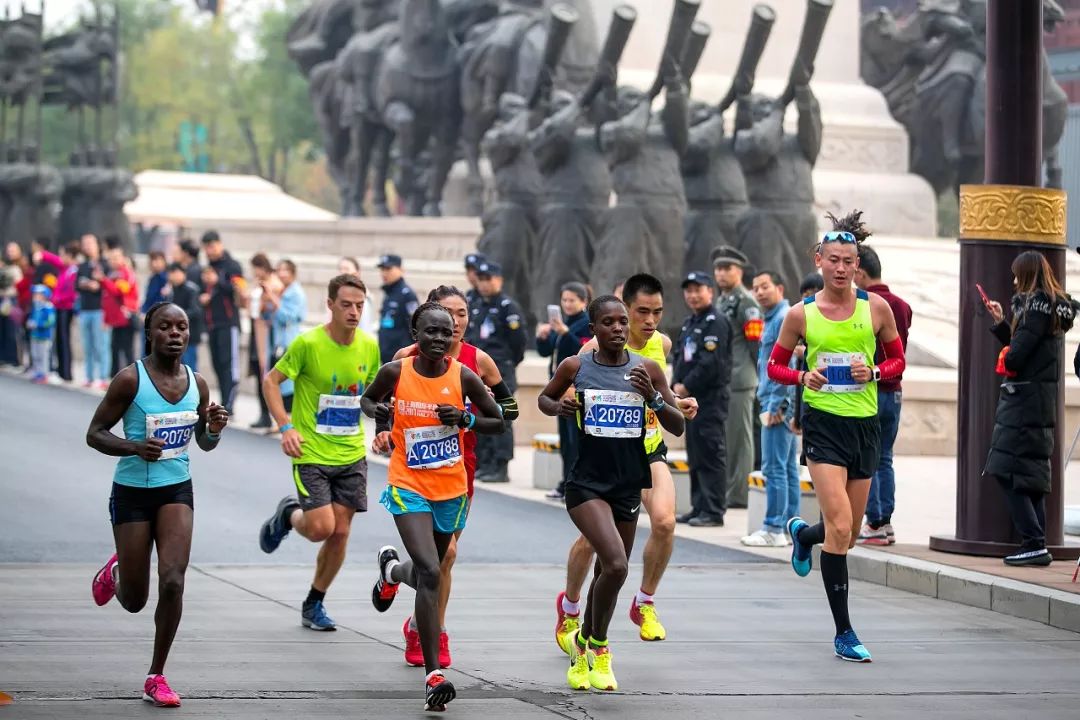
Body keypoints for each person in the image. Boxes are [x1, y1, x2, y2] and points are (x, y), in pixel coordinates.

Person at [767, 210, 906, 663]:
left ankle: (804, 537)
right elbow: (774, 366)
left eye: (850, 260)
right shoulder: (800, 315)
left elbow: (898, 363)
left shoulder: (877, 308)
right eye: (834, 260)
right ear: (820, 260)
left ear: (858, 264)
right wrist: (802, 376)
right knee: (843, 526)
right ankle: (844, 632)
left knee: (838, 530)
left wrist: (876, 371)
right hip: (824, 425)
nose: (842, 268)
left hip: (865, 426)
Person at [362, 302, 507, 712]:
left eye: (446, 332)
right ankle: (433, 676)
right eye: (431, 332)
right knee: (430, 571)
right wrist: (382, 415)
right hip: (408, 484)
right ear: (415, 333)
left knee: (428, 571)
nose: (439, 339)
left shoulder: (464, 376)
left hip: (451, 489)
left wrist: (466, 419)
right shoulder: (397, 372)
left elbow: (499, 421)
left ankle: (391, 572)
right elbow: (368, 402)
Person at [86, 301, 230, 707]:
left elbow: (203, 441)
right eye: (165, 327)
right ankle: (118, 569)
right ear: (150, 332)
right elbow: (94, 433)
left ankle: (156, 675)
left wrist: (214, 429)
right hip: (131, 491)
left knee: (173, 580)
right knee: (134, 601)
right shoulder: (130, 380)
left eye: (181, 327)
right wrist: (133, 446)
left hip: (176, 489)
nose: (175, 334)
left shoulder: (197, 383)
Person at [539, 295, 685, 691]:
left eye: (623, 322)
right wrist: (561, 407)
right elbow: (545, 397)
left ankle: (583, 640)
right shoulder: (576, 365)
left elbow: (676, 425)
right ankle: (599, 649)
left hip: (627, 483)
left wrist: (653, 397)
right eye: (609, 323)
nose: (619, 329)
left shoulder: (648, 369)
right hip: (586, 484)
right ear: (594, 329)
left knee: (608, 570)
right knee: (618, 564)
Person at [556, 274, 698, 650]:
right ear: (623, 309)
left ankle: (644, 603)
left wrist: (680, 404)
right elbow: (568, 395)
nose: (650, 322)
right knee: (595, 543)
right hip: (604, 457)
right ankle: (570, 607)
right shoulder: (590, 351)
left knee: (666, 522)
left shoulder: (661, 346)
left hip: (647, 447)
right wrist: (568, 405)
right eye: (641, 313)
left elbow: (666, 398)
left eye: (658, 313)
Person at [386, 285, 517, 669]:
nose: (453, 323)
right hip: (411, 471)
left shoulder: (480, 362)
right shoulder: (405, 358)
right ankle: (434, 632)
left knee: (443, 559)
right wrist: (384, 426)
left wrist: (469, 418)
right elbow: (386, 404)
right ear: (425, 321)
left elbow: (507, 410)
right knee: (444, 559)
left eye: (461, 314)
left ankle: (401, 590)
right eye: (446, 314)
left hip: (460, 467)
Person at [257, 274, 381, 630]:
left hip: (351, 453)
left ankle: (314, 602)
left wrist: (383, 427)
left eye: (359, 305)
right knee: (319, 529)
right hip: (311, 451)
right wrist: (285, 426)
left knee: (340, 533)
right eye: (346, 305)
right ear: (330, 305)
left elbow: (373, 393)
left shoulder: (369, 347)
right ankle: (289, 515)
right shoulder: (308, 343)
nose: (354, 312)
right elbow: (270, 382)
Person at [981, 251, 1075, 566]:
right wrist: (1001, 323)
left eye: (1016, 274)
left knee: (1006, 470)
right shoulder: (1048, 310)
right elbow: (1027, 347)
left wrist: (1006, 354)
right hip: (1038, 402)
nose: (1013, 280)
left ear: (1026, 275)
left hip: (1023, 404)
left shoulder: (1034, 309)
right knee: (1030, 474)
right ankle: (1036, 542)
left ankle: (1034, 542)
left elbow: (1017, 357)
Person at [854, 245, 912, 546]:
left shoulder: (868, 305)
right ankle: (885, 522)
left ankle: (874, 522)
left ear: (861, 273)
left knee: (869, 458)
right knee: (885, 458)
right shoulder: (902, 305)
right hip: (895, 391)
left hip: (871, 390)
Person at [743, 270, 799, 547]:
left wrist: (779, 403)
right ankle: (790, 526)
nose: (760, 292)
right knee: (787, 468)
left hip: (778, 403)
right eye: (756, 288)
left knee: (774, 468)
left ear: (779, 287)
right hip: (780, 401)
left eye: (765, 286)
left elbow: (785, 365)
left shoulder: (782, 318)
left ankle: (773, 527)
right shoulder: (773, 318)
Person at [673, 271, 732, 528]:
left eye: (699, 290)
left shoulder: (715, 322)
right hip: (688, 400)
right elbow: (679, 357)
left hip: (709, 399)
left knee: (710, 452)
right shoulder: (690, 323)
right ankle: (699, 506)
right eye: (689, 291)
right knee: (695, 453)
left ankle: (713, 509)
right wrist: (676, 385)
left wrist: (686, 385)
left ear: (710, 291)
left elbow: (711, 363)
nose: (693, 295)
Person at [465, 261, 528, 482]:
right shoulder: (476, 305)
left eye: (488, 279)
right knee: (481, 414)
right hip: (479, 371)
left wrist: (507, 363)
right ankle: (487, 462)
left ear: (499, 280)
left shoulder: (507, 307)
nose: (484, 284)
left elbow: (518, 343)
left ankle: (501, 466)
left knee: (502, 415)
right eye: (480, 279)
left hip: (501, 370)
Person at [713, 245, 763, 509]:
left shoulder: (747, 302)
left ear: (739, 271)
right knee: (729, 439)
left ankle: (740, 494)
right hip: (725, 378)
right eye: (718, 269)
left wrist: (759, 375)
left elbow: (756, 344)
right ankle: (731, 490)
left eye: (727, 268)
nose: (721, 274)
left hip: (741, 378)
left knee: (741, 440)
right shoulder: (722, 301)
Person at [536, 281, 592, 501]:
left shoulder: (586, 323)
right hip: (559, 390)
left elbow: (583, 349)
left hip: (576, 389)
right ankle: (566, 481)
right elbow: (546, 350)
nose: (567, 304)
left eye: (572, 300)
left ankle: (574, 482)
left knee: (574, 439)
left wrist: (565, 333)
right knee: (565, 440)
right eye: (564, 300)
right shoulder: (563, 323)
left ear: (583, 302)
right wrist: (543, 336)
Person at [199, 230, 246, 413]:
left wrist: (218, 281)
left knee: (229, 364)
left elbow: (238, 292)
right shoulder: (207, 267)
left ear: (219, 244)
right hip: (211, 323)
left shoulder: (233, 266)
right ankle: (224, 400)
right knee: (217, 363)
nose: (209, 251)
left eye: (211, 246)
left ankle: (230, 403)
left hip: (229, 322)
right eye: (206, 248)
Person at [33, 241, 79, 382]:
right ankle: (60, 371)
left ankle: (66, 373)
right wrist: (43, 254)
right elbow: (54, 260)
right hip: (59, 308)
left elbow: (71, 293)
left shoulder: (73, 271)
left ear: (69, 255)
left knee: (64, 340)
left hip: (66, 308)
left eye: (63, 254)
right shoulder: (64, 269)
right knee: (58, 339)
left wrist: (56, 299)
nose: (60, 257)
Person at [248, 253, 283, 430]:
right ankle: (263, 413)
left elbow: (272, 306)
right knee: (257, 369)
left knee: (267, 371)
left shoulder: (273, 283)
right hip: (256, 328)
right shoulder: (258, 283)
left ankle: (272, 414)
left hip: (267, 331)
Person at [269, 259, 307, 415]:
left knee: (287, 381)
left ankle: (288, 417)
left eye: (285, 270)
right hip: (279, 341)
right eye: (279, 270)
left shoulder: (295, 293)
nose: (281, 274)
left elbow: (290, 317)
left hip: (289, 341)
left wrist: (275, 301)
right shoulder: (282, 291)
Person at [76, 234, 110, 389]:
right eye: (85, 243)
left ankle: (103, 377)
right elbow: (76, 285)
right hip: (85, 309)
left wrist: (98, 284)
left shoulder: (105, 264)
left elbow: (108, 285)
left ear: (98, 244)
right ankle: (89, 377)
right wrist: (87, 284)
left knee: (101, 345)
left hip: (100, 310)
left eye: (90, 243)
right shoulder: (82, 265)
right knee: (87, 345)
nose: (87, 246)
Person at [101, 242, 139, 377]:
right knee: (114, 348)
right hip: (115, 319)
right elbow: (107, 299)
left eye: (116, 257)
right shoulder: (112, 274)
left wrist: (104, 281)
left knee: (127, 350)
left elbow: (119, 291)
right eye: (111, 258)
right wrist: (106, 319)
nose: (113, 261)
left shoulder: (126, 274)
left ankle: (133, 379)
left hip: (126, 318)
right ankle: (115, 378)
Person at [376, 254, 419, 363]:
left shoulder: (407, 295)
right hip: (386, 356)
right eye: (382, 269)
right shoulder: (389, 293)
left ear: (400, 270)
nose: (384, 273)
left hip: (401, 359)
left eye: (388, 269)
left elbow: (416, 328)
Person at [165, 263, 202, 371]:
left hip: (189, 334)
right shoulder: (171, 291)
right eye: (171, 273)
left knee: (190, 366)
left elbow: (195, 311)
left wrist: (177, 317)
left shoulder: (192, 290)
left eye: (177, 273)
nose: (174, 276)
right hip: (175, 335)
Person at [338, 256, 377, 335]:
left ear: (357, 273)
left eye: (346, 269)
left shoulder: (362, 297)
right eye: (340, 269)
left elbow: (365, 328)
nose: (342, 272)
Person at [27, 284, 56, 384]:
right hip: (34, 335)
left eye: (38, 294)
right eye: (34, 294)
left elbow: (50, 321)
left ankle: (44, 374)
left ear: (44, 295)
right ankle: (37, 372)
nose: (35, 296)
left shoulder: (48, 307)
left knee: (43, 356)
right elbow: (32, 317)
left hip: (44, 336)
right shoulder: (35, 307)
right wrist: (30, 322)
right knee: (35, 355)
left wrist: (38, 325)